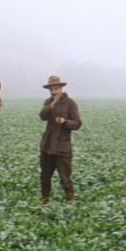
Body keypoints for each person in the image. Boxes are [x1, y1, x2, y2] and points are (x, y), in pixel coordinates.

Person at [38, 75, 82, 204]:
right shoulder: (48, 102)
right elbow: (42, 116)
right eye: (51, 89)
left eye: (56, 89)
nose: (54, 92)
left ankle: (70, 200)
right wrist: (52, 105)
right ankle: (45, 200)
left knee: (65, 178)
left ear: (61, 89)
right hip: (47, 146)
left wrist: (65, 122)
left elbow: (77, 123)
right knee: (45, 177)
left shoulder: (70, 103)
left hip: (62, 147)